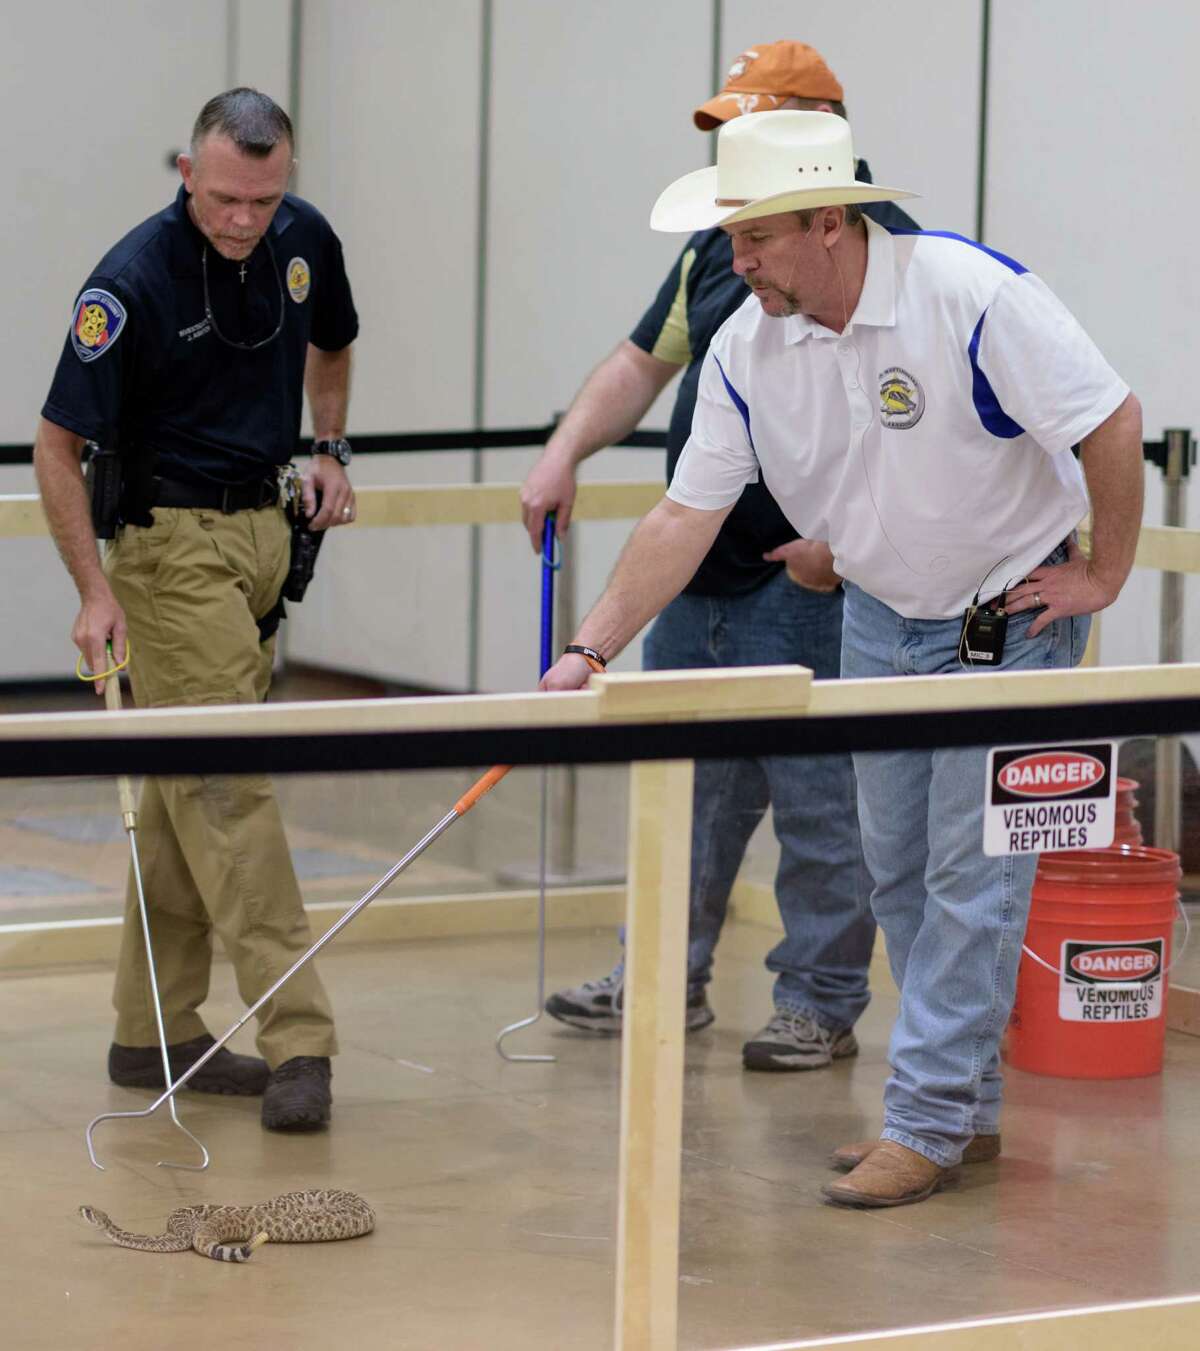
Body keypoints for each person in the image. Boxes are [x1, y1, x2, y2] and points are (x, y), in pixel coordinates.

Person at [543, 109, 1143, 1207]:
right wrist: (590, 647)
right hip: (880, 616)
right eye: (732, 237)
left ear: (831, 223)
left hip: (1011, 616)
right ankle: (963, 1108)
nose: (738, 262)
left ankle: (921, 1118)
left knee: (973, 878)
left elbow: (1110, 418)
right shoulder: (746, 344)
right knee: (900, 870)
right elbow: (685, 514)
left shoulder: (970, 295)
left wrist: (1101, 574)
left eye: (758, 238)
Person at [522, 42, 918, 1071]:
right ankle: (659, 971)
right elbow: (641, 361)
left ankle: (820, 1001)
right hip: (696, 570)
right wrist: (565, 451)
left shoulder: (896, 257)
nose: (726, 151)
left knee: (822, 802)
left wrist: (845, 539)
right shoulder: (718, 247)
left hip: (807, 585)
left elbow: (914, 422)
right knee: (681, 793)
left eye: (749, 124)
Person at [34, 88, 359, 1132]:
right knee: (226, 788)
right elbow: (55, 444)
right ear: (188, 172)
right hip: (168, 550)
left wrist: (329, 445)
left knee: (184, 793)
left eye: (265, 199)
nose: (245, 220)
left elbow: (335, 338)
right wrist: (94, 590)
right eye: (225, 197)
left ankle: (153, 1029)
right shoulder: (129, 281)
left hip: (262, 536)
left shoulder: (303, 236)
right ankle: (298, 1032)